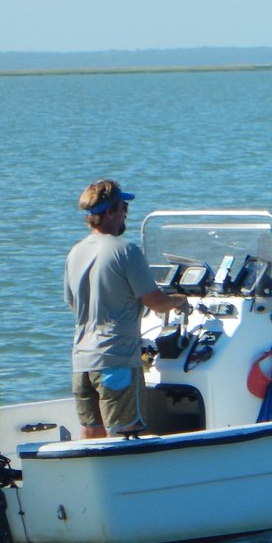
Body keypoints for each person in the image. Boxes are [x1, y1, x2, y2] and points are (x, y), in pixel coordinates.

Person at [64, 180, 187, 438]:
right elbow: (155, 301)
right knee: (123, 433)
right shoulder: (126, 250)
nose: (126, 214)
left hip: (82, 361)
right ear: (110, 212)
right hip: (116, 360)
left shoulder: (75, 252)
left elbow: (73, 304)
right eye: (124, 207)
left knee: (92, 432)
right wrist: (178, 300)